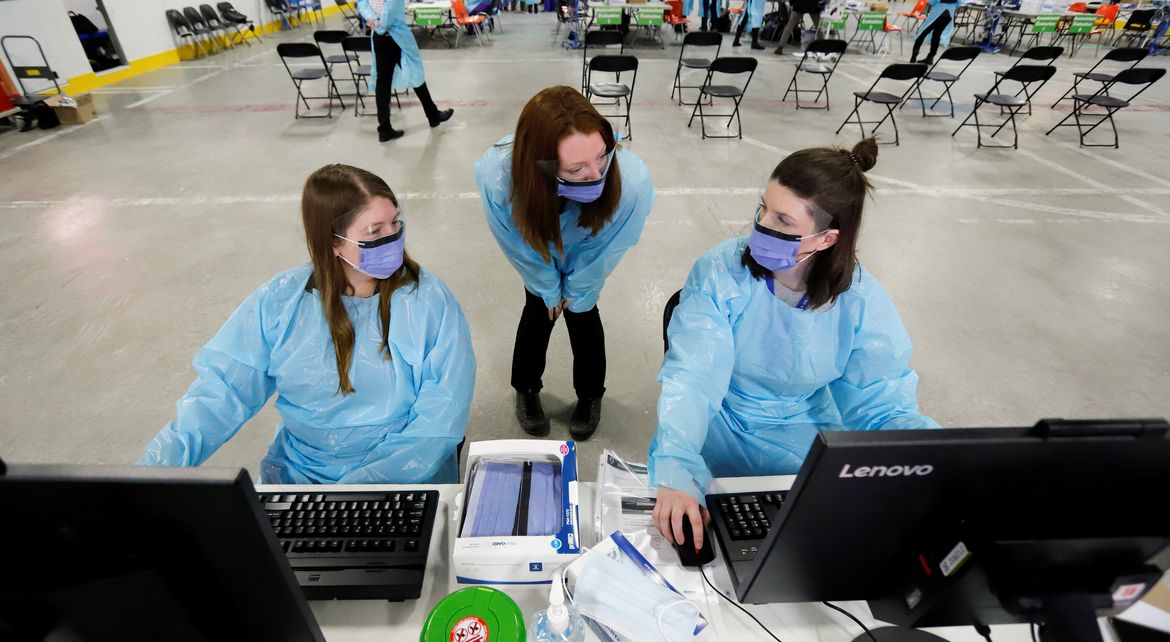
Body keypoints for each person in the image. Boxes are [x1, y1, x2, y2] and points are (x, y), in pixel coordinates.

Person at [648, 139, 938, 550]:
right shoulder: (720, 271)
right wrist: (677, 466)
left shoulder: (860, 300)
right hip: (718, 424)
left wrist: (935, 461)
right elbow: (694, 377)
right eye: (763, 209)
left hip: (803, 433)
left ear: (825, 239)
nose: (762, 226)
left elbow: (881, 401)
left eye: (783, 220)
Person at [138, 164, 476, 484]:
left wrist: (361, 489)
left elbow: (441, 414)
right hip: (302, 477)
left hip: (405, 477)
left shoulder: (427, 300)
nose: (393, 238)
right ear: (333, 243)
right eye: (375, 231)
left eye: (395, 223)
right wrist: (146, 478)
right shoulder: (280, 304)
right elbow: (222, 393)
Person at [474, 86, 654, 442]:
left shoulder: (631, 182)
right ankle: (525, 389)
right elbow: (517, 243)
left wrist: (577, 287)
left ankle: (590, 396)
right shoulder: (499, 177)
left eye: (601, 156)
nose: (596, 174)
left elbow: (608, 247)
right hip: (538, 250)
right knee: (538, 310)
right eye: (577, 168)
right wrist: (546, 287)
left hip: (588, 253)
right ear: (541, 164)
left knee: (583, 315)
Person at [357, 0, 455, 141]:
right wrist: (380, 25)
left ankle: (384, 129)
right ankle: (433, 116)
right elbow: (390, 10)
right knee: (415, 74)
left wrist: (372, 19)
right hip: (396, 37)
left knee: (383, 83)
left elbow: (362, 3)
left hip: (380, 38)